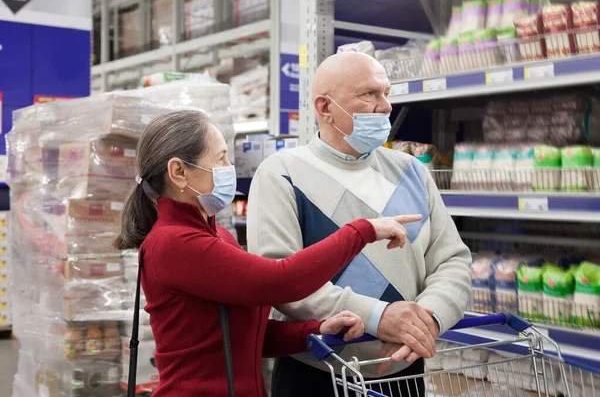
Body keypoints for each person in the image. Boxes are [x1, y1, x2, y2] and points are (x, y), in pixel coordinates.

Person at [114, 110, 424, 397]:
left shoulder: (215, 235)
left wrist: (312, 331)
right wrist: (363, 231)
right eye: (220, 158)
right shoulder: (173, 243)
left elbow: (243, 337)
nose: (228, 170)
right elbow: (281, 280)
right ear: (179, 171)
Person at [247, 52, 472, 396]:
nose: (385, 106)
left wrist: (422, 322)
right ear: (325, 107)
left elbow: (452, 262)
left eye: (387, 93)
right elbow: (280, 278)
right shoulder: (282, 173)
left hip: (404, 371)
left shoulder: (412, 172)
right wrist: (379, 317)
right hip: (317, 373)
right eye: (369, 94)